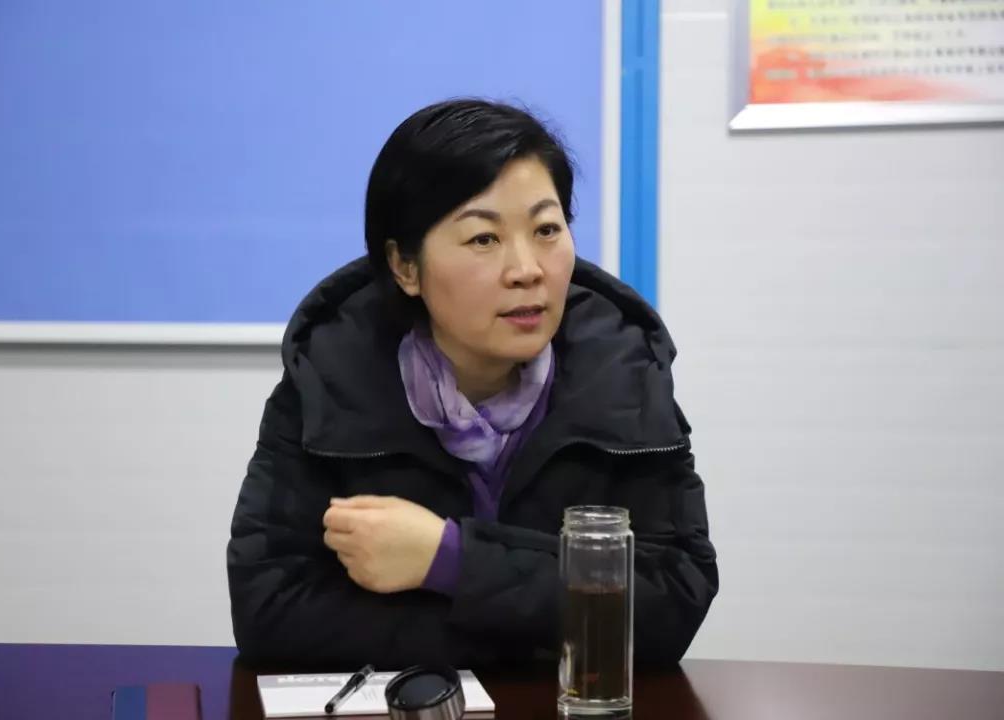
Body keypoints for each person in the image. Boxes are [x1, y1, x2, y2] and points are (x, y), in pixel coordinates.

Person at [226, 99, 718, 670]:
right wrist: (545, 627)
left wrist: (450, 560)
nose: (527, 269)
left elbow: (672, 600)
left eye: (547, 229)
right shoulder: (331, 377)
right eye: (484, 239)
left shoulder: (625, 372)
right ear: (405, 267)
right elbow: (269, 610)